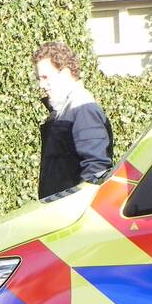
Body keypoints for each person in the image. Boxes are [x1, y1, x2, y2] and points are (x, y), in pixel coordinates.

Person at [32, 41, 114, 199]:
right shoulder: (65, 109)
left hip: (72, 215)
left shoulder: (82, 108)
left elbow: (96, 172)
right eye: (39, 78)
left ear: (65, 72)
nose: (41, 84)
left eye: (45, 77)